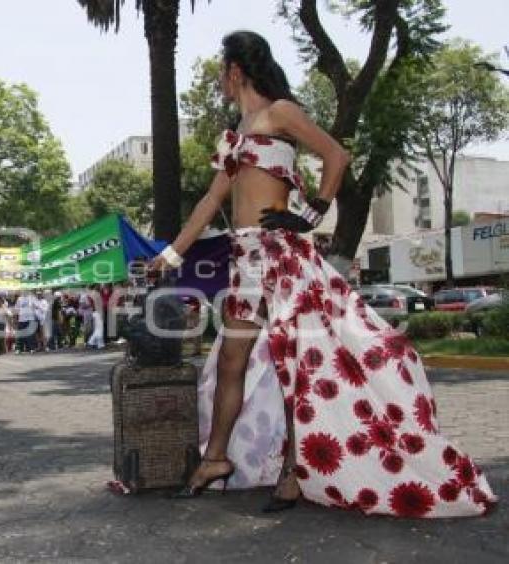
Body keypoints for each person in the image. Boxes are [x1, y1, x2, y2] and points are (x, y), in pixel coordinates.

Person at [150, 31, 495, 517]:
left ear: (236, 70)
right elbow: (211, 201)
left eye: (220, 70)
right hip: (245, 259)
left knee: (296, 364)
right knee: (231, 361)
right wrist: (170, 255)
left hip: (284, 257)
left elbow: (337, 155)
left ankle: (294, 471)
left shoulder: (281, 112)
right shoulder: (234, 133)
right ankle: (215, 460)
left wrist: (311, 215)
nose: (218, 80)